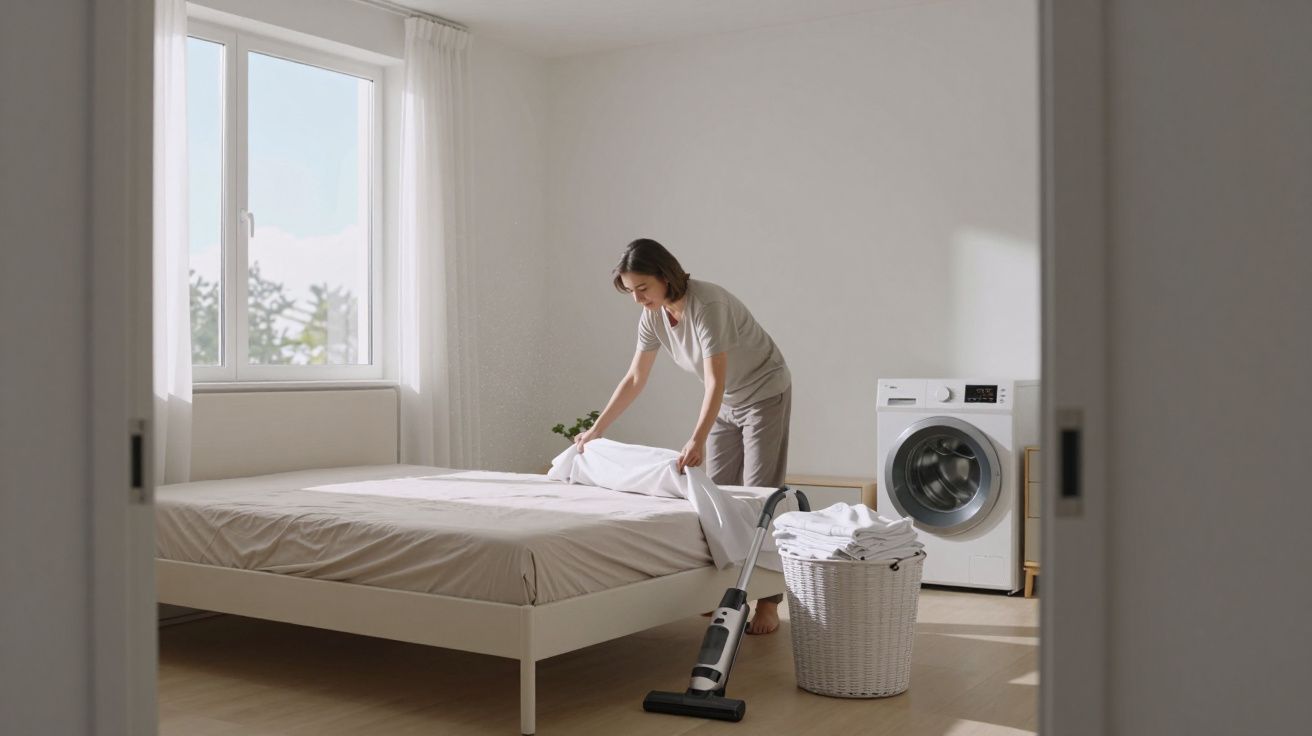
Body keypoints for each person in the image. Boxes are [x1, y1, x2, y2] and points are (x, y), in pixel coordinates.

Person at [573, 238, 792, 635]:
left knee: (760, 494)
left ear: (665, 276)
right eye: (631, 291)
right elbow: (635, 378)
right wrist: (597, 429)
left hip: (763, 392)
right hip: (725, 401)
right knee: (717, 497)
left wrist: (696, 439)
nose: (638, 299)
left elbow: (715, 380)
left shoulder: (708, 306)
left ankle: (768, 602)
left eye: (643, 288)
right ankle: (727, 594)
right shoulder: (653, 316)